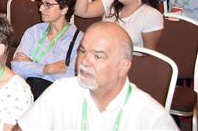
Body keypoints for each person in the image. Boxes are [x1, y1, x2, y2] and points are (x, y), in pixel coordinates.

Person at [16, 22, 178, 130]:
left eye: (98, 56)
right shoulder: (61, 91)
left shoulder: (151, 119)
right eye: (82, 51)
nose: (84, 62)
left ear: (123, 66)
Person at [12, 0, 84, 99]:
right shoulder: (34, 32)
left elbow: (71, 77)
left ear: (64, 9)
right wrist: (47, 68)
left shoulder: (79, 40)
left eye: (48, 5)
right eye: (41, 4)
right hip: (24, 91)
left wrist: (32, 63)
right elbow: (16, 66)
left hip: (56, 98)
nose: (40, 9)